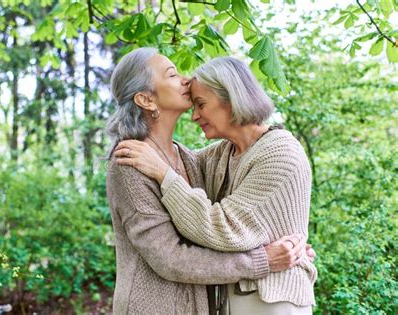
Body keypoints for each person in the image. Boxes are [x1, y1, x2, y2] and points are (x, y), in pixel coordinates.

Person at [106, 47, 314, 314]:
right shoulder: (131, 162)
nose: (184, 79)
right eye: (172, 74)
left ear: (231, 100)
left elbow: (226, 222)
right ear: (146, 99)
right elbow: (170, 257)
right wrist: (262, 260)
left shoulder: (190, 159)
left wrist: (292, 248)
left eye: (201, 105)